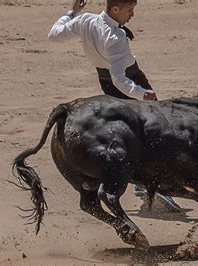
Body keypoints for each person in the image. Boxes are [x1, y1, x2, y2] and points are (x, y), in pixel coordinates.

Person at [47, 0, 181, 212]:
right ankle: (150, 188)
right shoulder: (115, 37)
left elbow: (54, 34)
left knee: (134, 133)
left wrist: (72, 11)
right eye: (129, 10)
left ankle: (145, 186)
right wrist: (142, 94)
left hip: (105, 83)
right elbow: (119, 78)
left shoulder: (85, 20)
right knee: (155, 132)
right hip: (130, 81)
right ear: (115, 9)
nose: (132, 15)